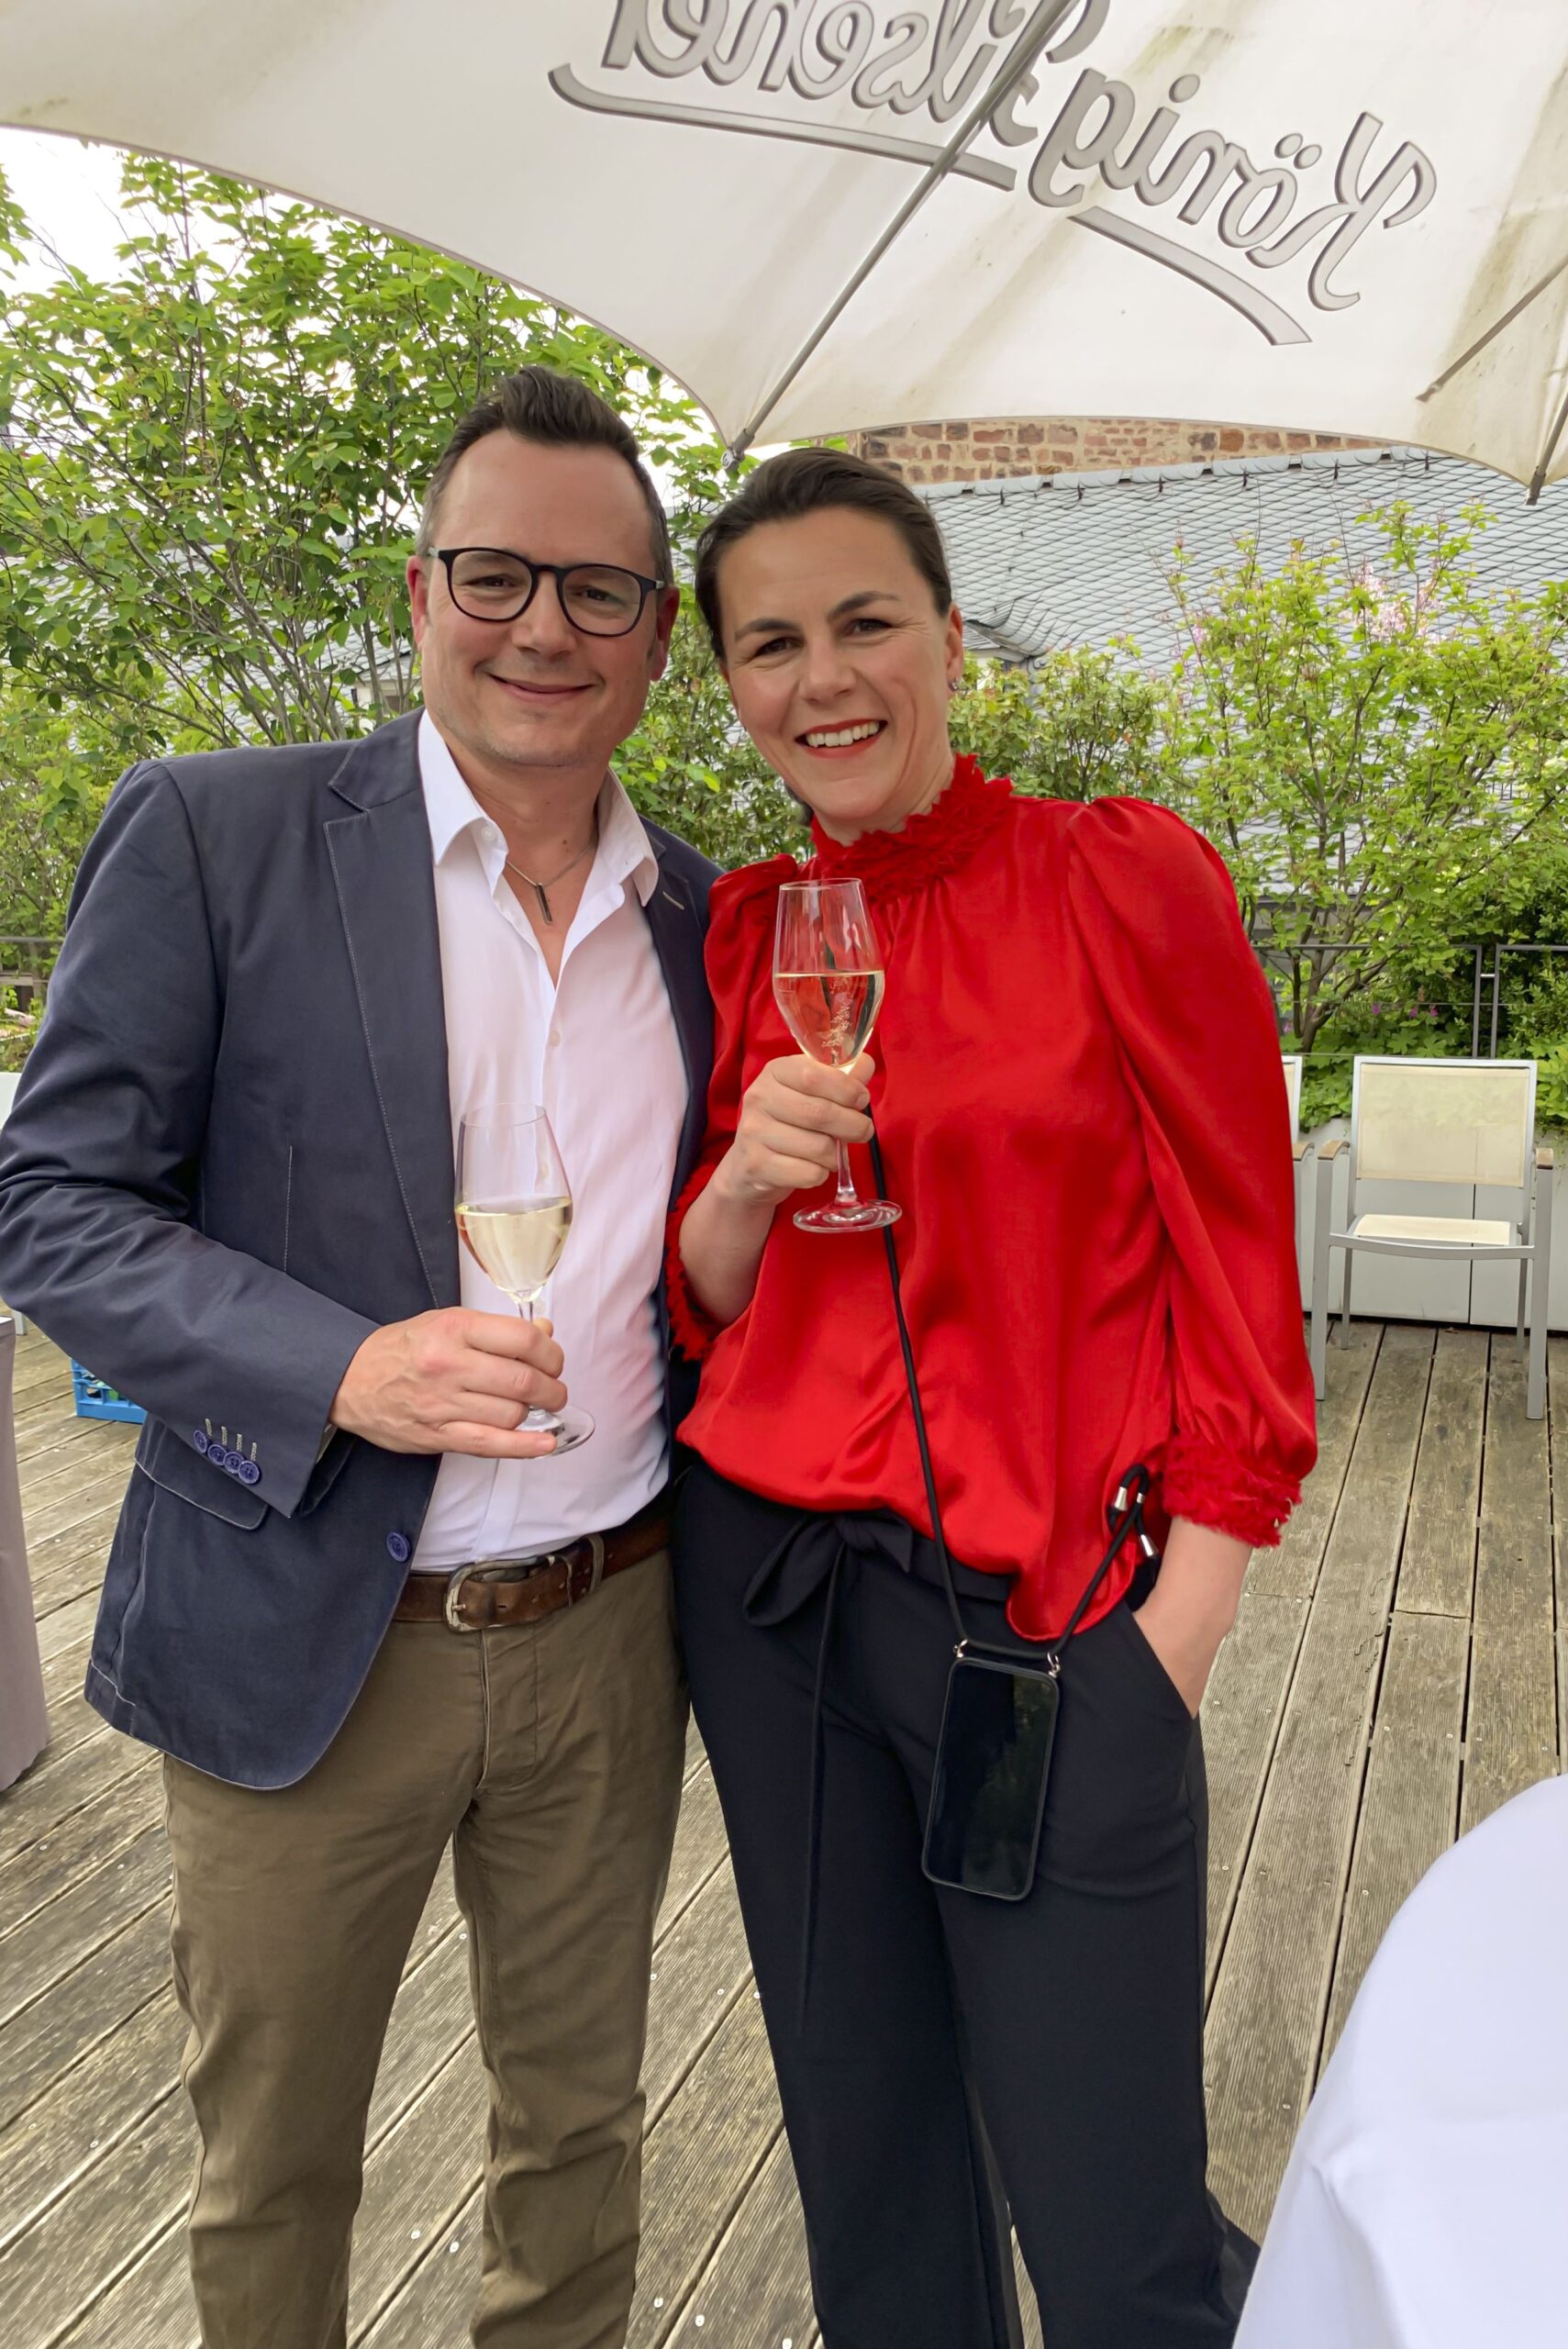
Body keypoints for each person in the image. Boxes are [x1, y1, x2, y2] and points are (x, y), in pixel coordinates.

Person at [0, 367, 716, 2349]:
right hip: (310, 1632)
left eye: (597, 590)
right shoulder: (216, 832)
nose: (543, 627)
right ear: (419, 594)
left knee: (578, 2138)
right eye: (496, 575)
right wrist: (340, 1367)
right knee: (277, 2161)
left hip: (611, 1627)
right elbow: (49, 1203)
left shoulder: (704, 920)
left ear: (658, 634)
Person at [667, 448, 1318, 2349]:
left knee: (1113, 2221)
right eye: (770, 643)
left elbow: (1239, 1258)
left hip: (1038, 1625)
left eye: (865, 621)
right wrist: (743, 1183)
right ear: (734, 685)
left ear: (952, 640)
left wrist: (1177, 1629)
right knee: (872, 2170)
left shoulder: (1114, 878)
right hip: (770, 1607)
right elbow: (713, 1303)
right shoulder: (754, 927)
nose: (823, 676)